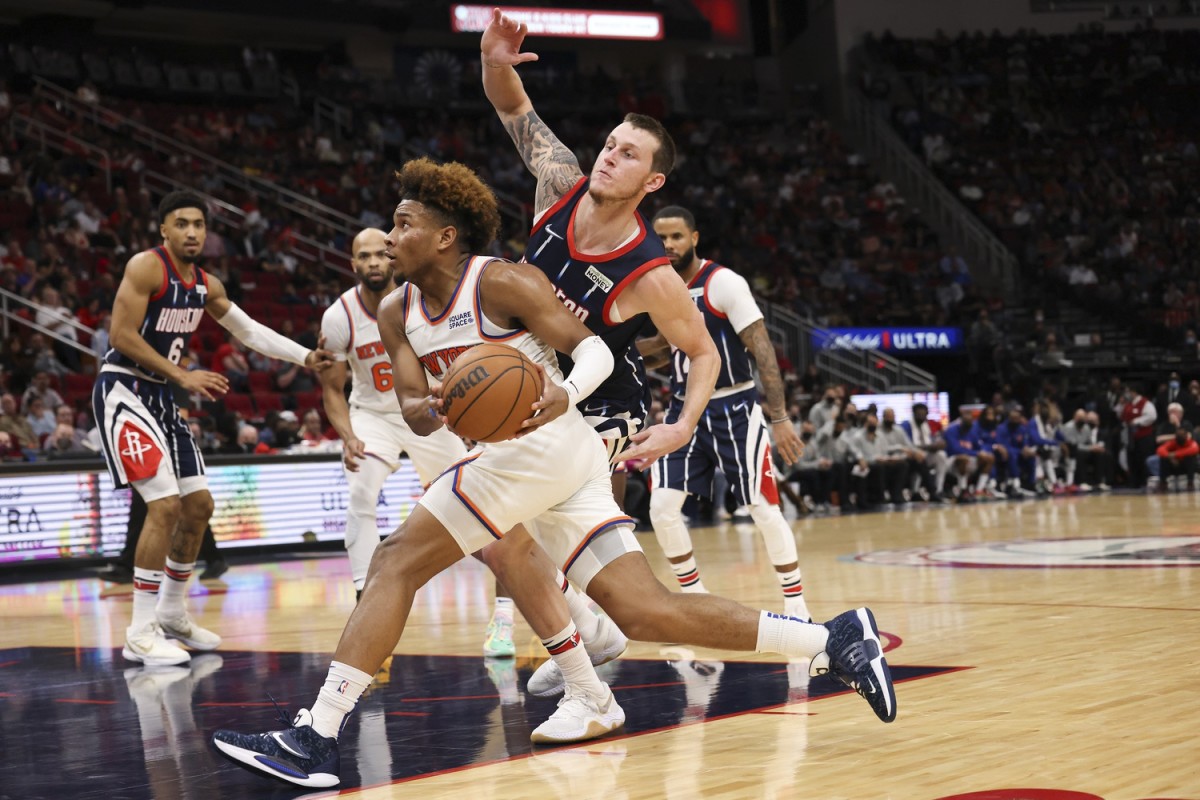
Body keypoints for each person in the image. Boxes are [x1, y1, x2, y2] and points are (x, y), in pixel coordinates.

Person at [211, 159, 895, 790]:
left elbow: (590, 349)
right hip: (539, 459)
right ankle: (832, 640)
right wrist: (438, 408)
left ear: (446, 236)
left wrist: (565, 392)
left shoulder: (501, 280)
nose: (391, 235)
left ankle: (316, 736)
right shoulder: (395, 311)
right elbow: (417, 413)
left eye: (404, 223)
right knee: (644, 609)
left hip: (541, 446)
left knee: (396, 562)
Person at [92, 190, 332, 667]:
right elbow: (120, 336)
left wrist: (305, 356)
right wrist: (182, 375)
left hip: (162, 395)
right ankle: (140, 633)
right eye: (181, 223)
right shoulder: (146, 267)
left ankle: (173, 613)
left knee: (199, 504)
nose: (192, 232)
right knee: (163, 505)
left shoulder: (206, 285)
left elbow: (250, 331)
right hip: (123, 390)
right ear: (163, 229)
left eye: (199, 224)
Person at [318, 227, 516, 657]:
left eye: (378, 254)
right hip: (373, 417)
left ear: (389, 258)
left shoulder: (417, 301)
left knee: (483, 515)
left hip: (429, 411)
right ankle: (362, 598)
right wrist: (348, 435)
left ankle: (505, 614)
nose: (372, 262)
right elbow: (332, 388)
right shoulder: (339, 317)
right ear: (352, 264)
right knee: (361, 492)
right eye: (363, 256)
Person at [638, 206, 808, 620]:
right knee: (660, 507)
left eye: (677, 236)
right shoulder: (659, 289)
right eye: (660, 238)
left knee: (763, 508)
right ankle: (694, 595)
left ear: (694, 238)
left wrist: (780, 417)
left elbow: (762, 349)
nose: (668, 245)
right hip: (684, 409)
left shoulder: (724, 282)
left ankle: (795, 603)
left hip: (735, 403)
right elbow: (662, 351)